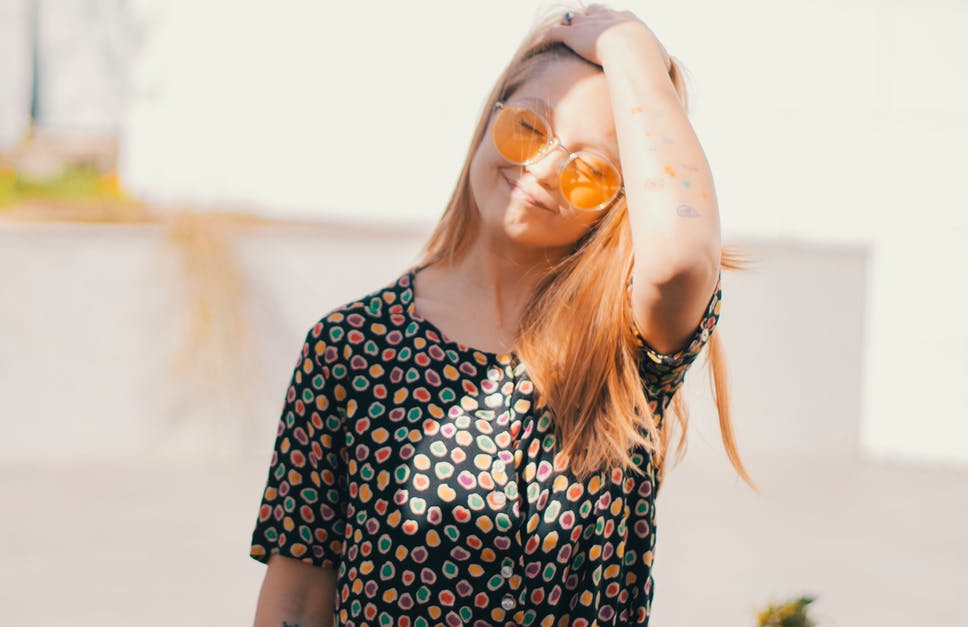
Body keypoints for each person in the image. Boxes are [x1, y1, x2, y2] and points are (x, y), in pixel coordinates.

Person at [250, 4, 758, 625]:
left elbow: (680, 254)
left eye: (591, 171)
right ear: (491, 115)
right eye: (528, 128)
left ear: (621, 203)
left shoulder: (619, 348)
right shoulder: (347, 349)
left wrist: (633, 51)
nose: (542, 171)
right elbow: (298, 602)